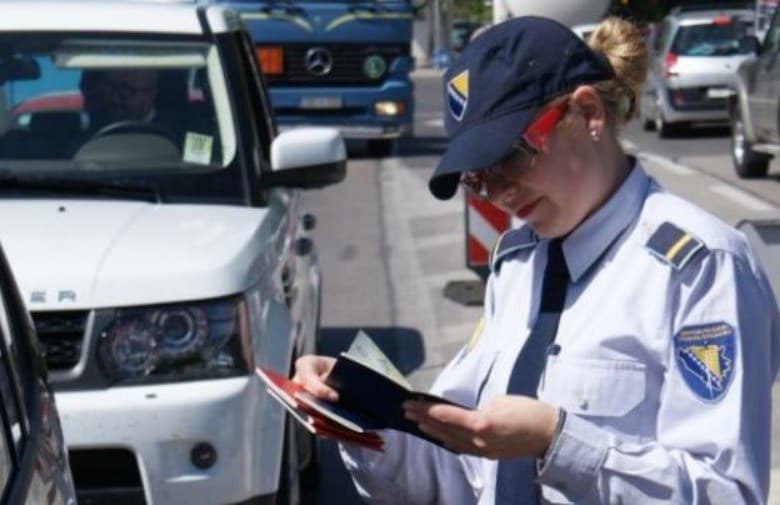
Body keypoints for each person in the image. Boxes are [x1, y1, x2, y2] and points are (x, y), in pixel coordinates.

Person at [295, 16, 780, 504]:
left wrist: (558, 443)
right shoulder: (518, 266)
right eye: (476, 178)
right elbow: (459, 477)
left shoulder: (700, 268)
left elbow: (727, 494)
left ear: (587, 112)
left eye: (511, 157)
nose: (498, 192)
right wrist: (363, 415)